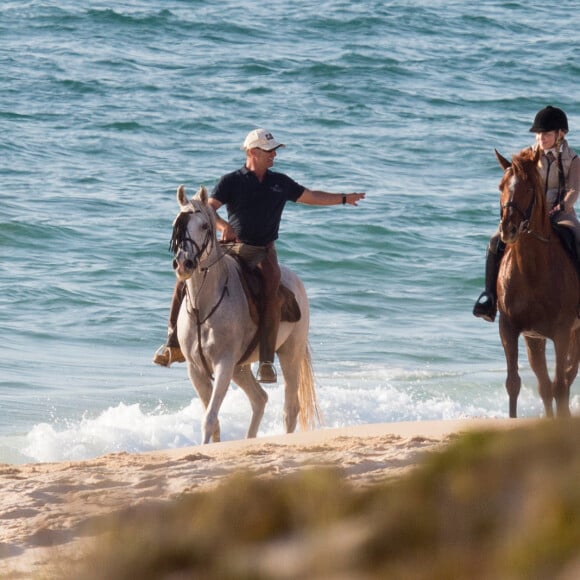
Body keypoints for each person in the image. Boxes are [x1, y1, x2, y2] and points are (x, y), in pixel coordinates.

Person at [154, 128, 366, 383]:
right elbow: (206, 211)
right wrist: (224, 227)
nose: (274, 155)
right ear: (252, 152)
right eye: (269, 151)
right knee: (184, 278)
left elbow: (311, 196)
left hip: (263, 251)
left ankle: (266, 361)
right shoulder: (231, 181)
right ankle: (172, 343)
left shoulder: (280, 183)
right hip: (232, 248)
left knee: (271, 287)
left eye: (274, 151)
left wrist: (343, 199)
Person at [473, 105, 580, 322]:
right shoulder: (528, 157)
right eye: (539, 134)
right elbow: (515, 182)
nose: (541, 138)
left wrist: (562, 207)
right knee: (495, 242)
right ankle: (490, 298)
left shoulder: (573, 160)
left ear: (561, 134)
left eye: (547, 134)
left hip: (561, 214)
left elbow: (574, 190)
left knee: (577, 237)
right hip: (529, 216)